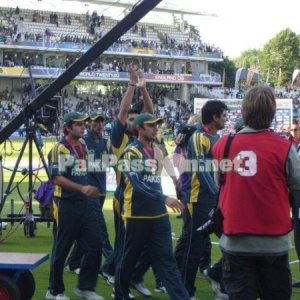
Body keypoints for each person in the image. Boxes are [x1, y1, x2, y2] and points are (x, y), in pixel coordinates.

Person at [212, 86, 300, 299]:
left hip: (236, 241)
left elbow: (220, 183)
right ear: (272, 113)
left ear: (243, 111)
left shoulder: (223, 145)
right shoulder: (284, 147)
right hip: (273, 242)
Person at [114, 113, 190, 300]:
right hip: (136, 215)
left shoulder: (158, 150)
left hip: (158, 216)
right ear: (139, 129)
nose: (156, 128)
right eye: (151, 125)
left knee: (167, 261)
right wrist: (165, 198)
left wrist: (175, 181)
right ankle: (120, 293)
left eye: (157, 125)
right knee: (129, 259)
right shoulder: (131, 153)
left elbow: (166, 167)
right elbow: (138, 184)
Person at [46, 112, 103, 300]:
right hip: (66, 204)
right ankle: (54, 290)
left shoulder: (83, 145)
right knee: (62, 249)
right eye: (78, 124)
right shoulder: (60, 148)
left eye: (83, 124)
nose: (83, 126)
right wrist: (82, 187)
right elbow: (57, 178)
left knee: (95, 245)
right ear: (68, 127)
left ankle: (86, 287)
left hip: (84, 204)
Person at [175, 100, 228, 299]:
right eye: (223, 115)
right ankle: (185, 292)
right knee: (193, 247)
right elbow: (201, 170)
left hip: (215, 198)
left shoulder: (218, 137)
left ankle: (215, 275)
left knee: (231, 240)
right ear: (214, 117)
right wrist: (218, 193)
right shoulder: (199, 138)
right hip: (199, 200)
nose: (226, 118)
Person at [65, 109, 113, 274]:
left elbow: (111, 162)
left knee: (86, 227)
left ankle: (73, 261)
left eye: (101, 121)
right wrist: (100, 163)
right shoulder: (83, 142)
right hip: (88, 191)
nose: (99, 124)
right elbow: (82, 164)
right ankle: (112, 263)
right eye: (95, 121)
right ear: (89, 123)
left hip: (101, 190)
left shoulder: (106, 142)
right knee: (99, 228)